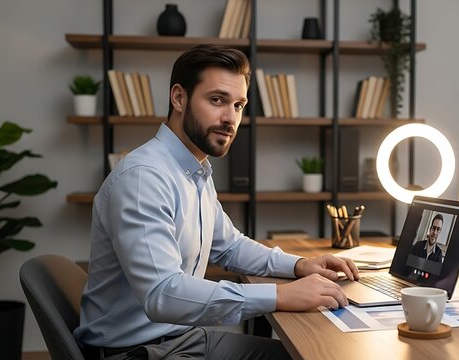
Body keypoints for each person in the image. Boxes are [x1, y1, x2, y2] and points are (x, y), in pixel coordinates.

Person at [73, 44, 360, 360]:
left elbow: (230, 246)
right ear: (179, 98)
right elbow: (162, 295)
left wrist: (299, 264)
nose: (230, 118)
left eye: (238, 105)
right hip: (137, 352)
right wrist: (279, 296)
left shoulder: (193, 171)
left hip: (181, 339)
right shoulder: (145, 177)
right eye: (217, 100)